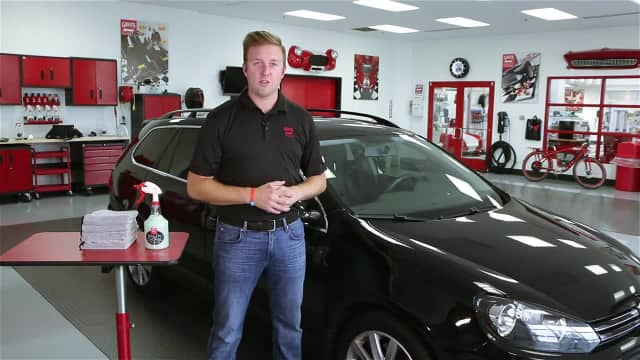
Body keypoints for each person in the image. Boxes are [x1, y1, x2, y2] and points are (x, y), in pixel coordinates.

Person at [186, 30, 327, 360]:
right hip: (238, 237)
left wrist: (293, 194)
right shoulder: (221, 120)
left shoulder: (301, 119)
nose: (266, 71)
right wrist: (253, 195)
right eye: (258, 63)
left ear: (283, 71)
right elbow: (196, 185)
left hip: (290, 236)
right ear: (245, 69)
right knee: (227, 328)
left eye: (273, 64)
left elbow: (319, 181)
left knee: (290, 325)